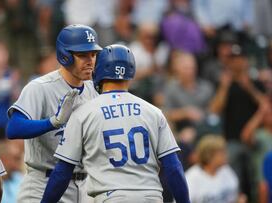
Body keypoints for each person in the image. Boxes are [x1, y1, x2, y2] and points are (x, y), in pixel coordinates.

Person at [41, 44, 190, 203]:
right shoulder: (153, 112)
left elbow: (62, 173)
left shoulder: (83, 113)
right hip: (151, 196)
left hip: (111, 196)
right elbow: (173, 168)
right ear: (131, 72)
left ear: (98, 71)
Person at [6, 24, 102, 202]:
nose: (90, 60)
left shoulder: (94, 90)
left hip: (86, 186)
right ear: (65, 56)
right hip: (43, 181)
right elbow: (13, 128)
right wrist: (52, 122)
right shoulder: (40, 87)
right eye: (82, 55)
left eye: (93, 54)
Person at [185, 135, 241, 203]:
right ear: (209, 155)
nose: (226, 155)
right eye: (222, 153)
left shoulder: (226, 170)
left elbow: (236, 196)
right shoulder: (191, 177)